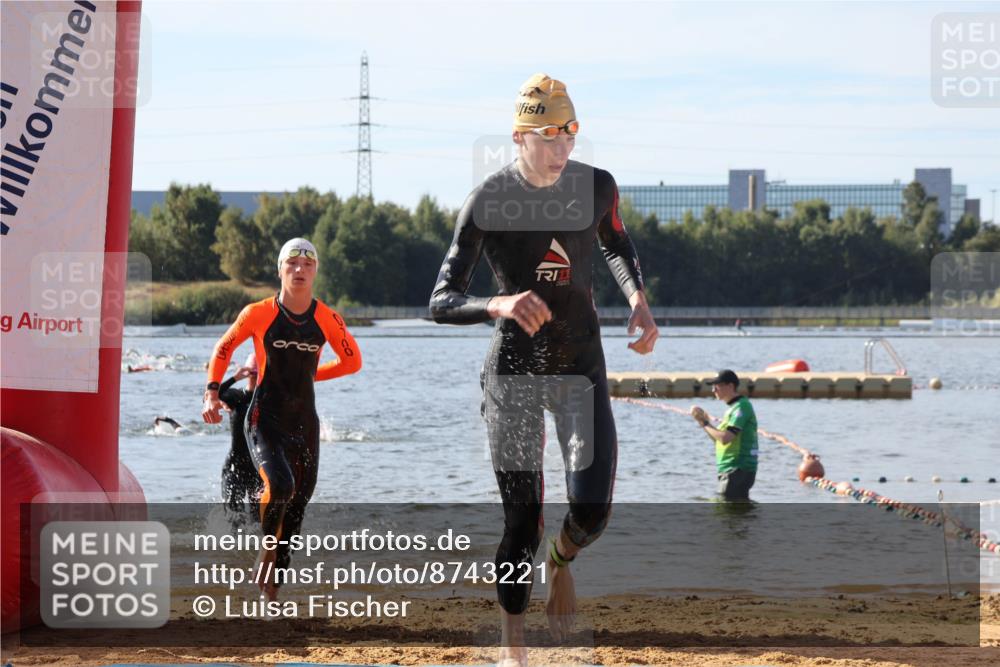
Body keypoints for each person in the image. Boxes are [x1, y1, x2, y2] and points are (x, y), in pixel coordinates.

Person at [429, 73, 658, 666]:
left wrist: (636, 297)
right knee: (521, 522)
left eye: (571, 135)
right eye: (551, 137)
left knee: (591, 512)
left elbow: (615, 244)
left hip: (581, 362)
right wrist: (497, 304)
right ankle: (515, 652)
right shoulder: (488, 202)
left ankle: (561, 561)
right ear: (520, 137)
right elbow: (441, 299)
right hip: (516, 371)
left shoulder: (597, 187)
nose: (563, 150)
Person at [202, 238, 362, 601]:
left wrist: (311, 376)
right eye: (291, 263)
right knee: (280, 485)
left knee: (295, 511)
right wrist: (212, 391)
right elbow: (223, 348)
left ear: (316, 271)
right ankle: (266, 548)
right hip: (264, 418)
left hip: (305, 423)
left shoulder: (327, 318)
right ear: (280, 270)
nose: (299, 270)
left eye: (307, 264)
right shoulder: (258, 313)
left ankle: (271, 596)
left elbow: (353, 361)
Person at [689, 369, 758, 501]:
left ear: (730, 386)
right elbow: (718, 440)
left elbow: (726, 438)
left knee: (725, 514)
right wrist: (703, 422)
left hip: (737, 470)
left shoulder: (742, 407)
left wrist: (704, 423)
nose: (713, 390)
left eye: (717, 386)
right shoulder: (732, 409)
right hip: (730, 470)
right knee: (735, 516)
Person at [218, 351, 262, 520]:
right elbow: (218, 393)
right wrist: (235, 377)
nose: (254, 375)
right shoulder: (237, 396)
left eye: (257, 371)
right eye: (252, 370)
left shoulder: (266, 400)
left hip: (258, 468)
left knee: (257, 520)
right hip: (233, 466)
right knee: (233, 516)